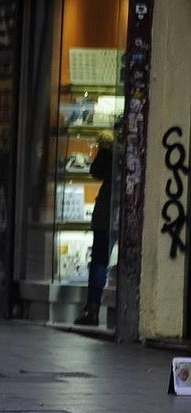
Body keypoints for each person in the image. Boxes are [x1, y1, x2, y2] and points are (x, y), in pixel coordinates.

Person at [74, 130, 115, 326]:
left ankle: (93, 309)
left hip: (106, 215)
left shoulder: (110, 148)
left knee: (99, 261)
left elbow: (96, 171)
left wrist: (104, 149)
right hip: (124, 213)